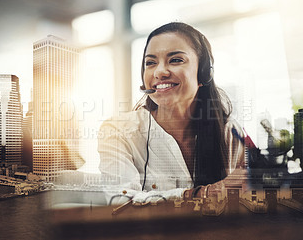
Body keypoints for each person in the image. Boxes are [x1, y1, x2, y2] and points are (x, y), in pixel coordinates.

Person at [98, 22, 245, 204]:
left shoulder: (229, 132)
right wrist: (199, 194)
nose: (159, 72)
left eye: (175, 60)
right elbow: (120, 203)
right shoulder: (118, 131)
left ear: (203, 73)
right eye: (150, 63)